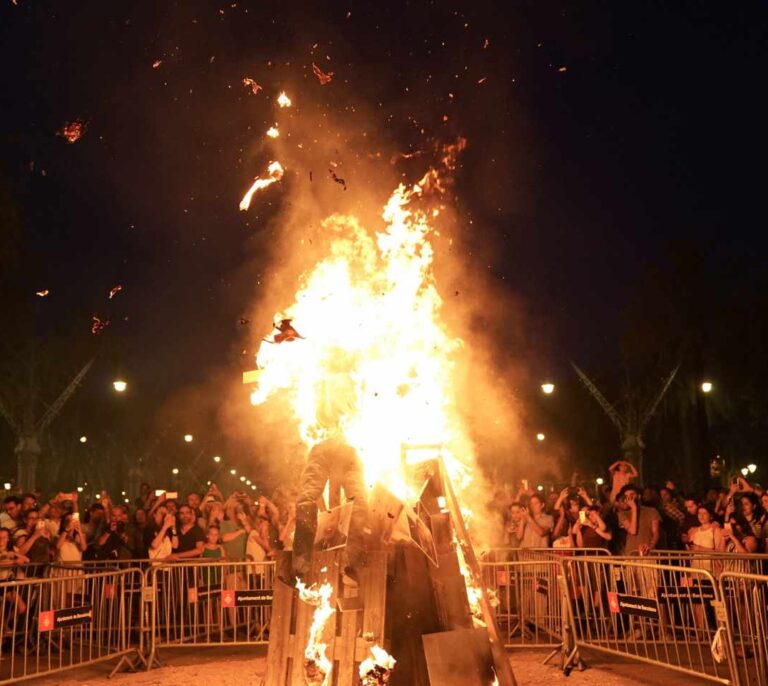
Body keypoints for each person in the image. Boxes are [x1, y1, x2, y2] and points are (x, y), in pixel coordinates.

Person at [616, 485, 661, 555]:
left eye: (632, 495)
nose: (630, 498)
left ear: (639, 496)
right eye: (626, 496)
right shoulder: (623, 514)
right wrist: (634, 508)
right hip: (631, 553)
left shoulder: (652, 511)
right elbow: (633, 531)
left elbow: (656, 532)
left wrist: (650, 545)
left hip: (648, 552)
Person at [14, 509, 52, 575]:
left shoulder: (41, 534)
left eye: (37, 518)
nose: (34, 521)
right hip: (26, 572)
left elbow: (48, 552)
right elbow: (20, 552)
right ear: (25, 520)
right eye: (31, 518)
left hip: (41, 571)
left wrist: (47, 540)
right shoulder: (21, 533)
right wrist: (35, 535)